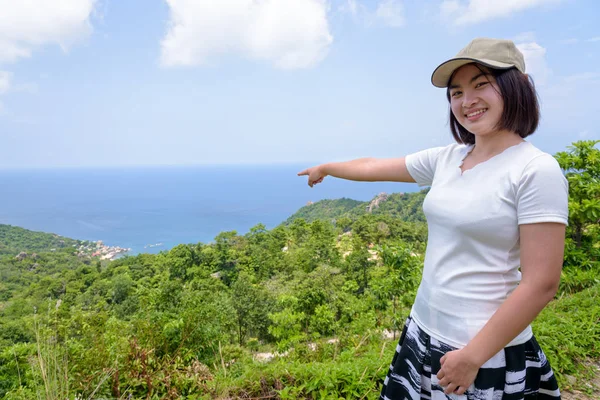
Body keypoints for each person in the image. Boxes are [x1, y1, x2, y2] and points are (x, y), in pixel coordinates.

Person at [298, 37, 568, 399]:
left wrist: (472, 357)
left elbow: (542, 283)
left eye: (481, 85)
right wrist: (327, 167)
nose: (466, 100)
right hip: (424, 329)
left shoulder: (535, 170)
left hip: (482, 349)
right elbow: (374, 166)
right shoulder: (449, 157)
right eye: (456, 92)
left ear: (514, 87)